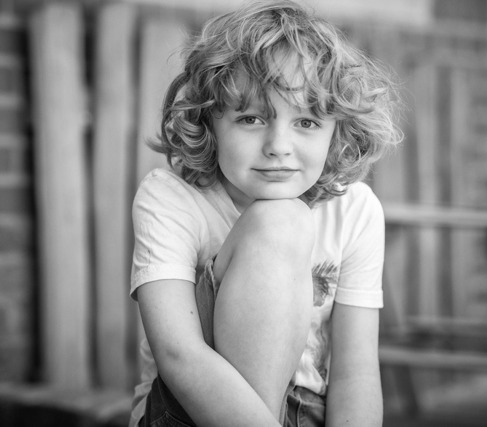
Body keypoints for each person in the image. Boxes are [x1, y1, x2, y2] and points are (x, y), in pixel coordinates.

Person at [129, 1, 402, 426]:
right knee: (280, 221)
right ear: (209, 121)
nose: (278, 146)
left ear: (337, 131)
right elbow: (179, 354)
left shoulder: (355, 210)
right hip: (190, 406)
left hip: (307, 409)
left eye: (306, 122)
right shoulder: (171, 197)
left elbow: (356, 372)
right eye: (252, 118)